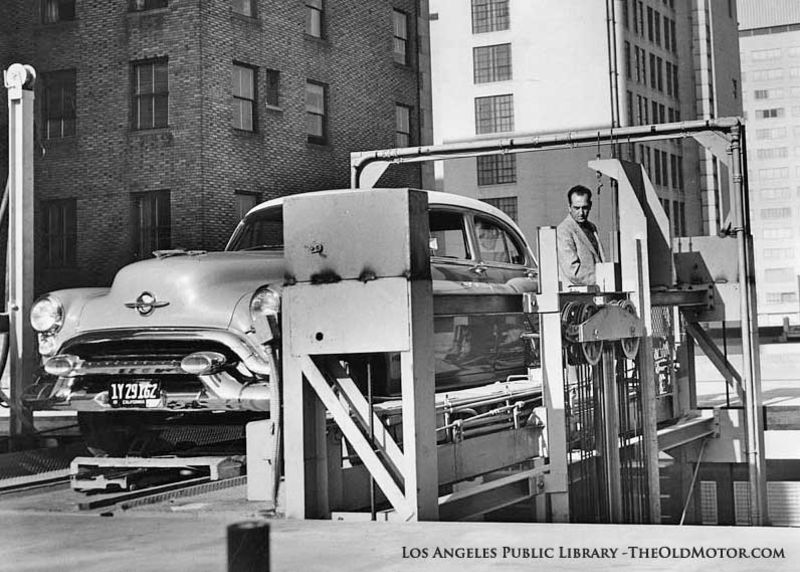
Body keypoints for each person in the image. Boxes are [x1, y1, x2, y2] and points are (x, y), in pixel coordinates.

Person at [557, 185, 605, 286]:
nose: (581, 213)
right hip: (578, 290)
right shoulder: (564, 230)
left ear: (590, 205)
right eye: (576, 208)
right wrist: (603, 280)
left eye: (585, 208)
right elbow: (573, 271)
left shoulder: (592, 227)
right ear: (569, 207)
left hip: (596, 288)